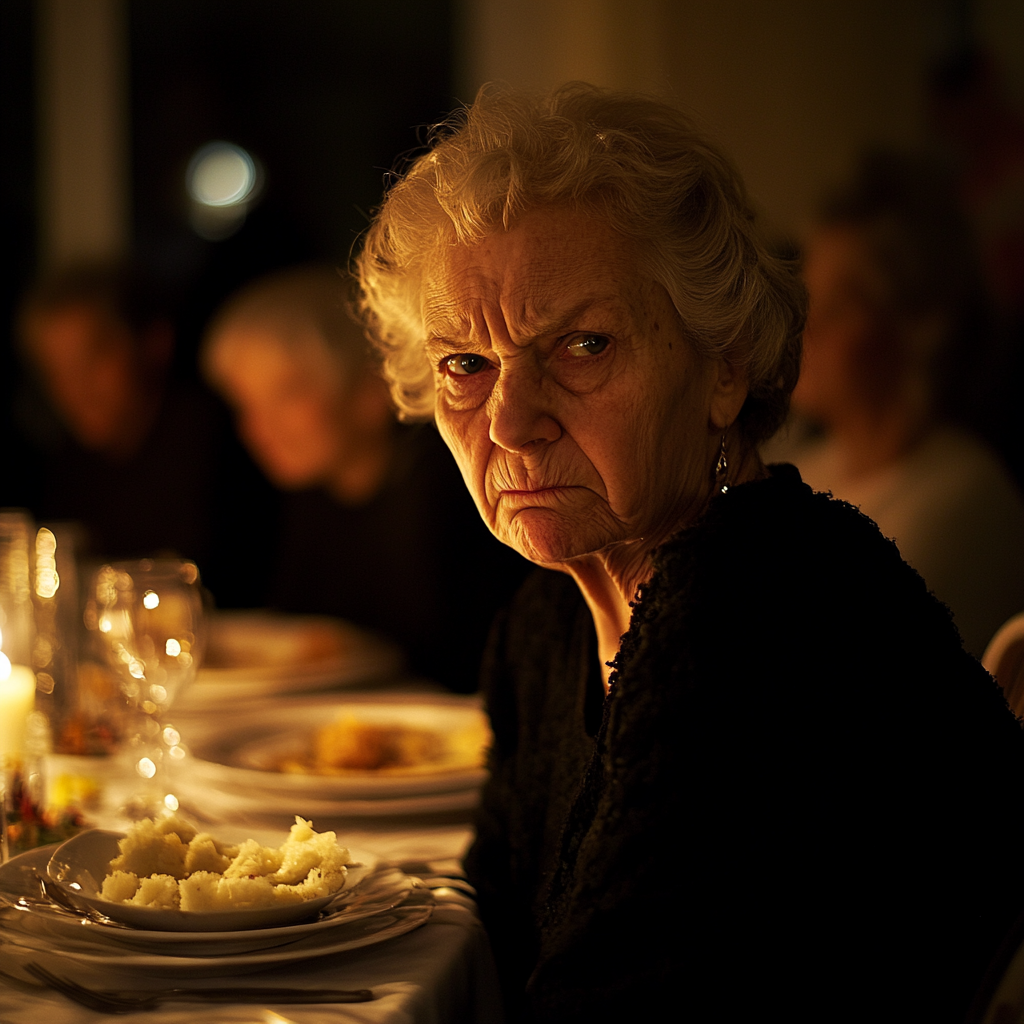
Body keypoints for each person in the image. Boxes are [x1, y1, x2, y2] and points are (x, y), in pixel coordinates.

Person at [355, 84, 1024, 1022]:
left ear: (723, 368)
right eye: (466, 363)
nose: (509, 421)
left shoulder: (763, 617)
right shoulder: (547, 619)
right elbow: (496, 937)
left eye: (583, 345)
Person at [202, 265, 527, 691]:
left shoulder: (451, 496)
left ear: (371, 389)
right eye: (247, 403)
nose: (256, 428)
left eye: (288, 394)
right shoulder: (311, 498)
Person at [777, 150, 1024, 657]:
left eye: (839, 306)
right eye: (806, 299)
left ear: (919, 326)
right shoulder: (795, 475)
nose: (807, 328)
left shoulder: (963, 505)